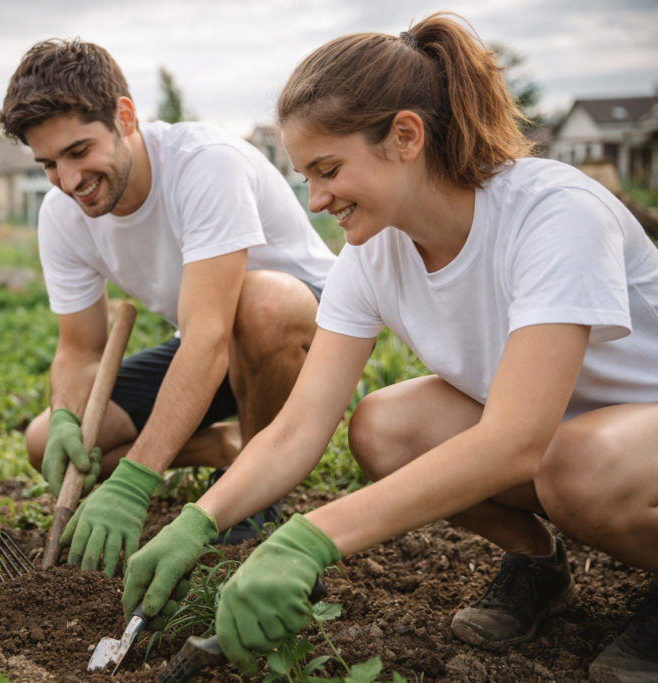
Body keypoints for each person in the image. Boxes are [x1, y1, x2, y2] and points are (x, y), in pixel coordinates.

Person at [123, 12, 658, 680]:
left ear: (405, 136)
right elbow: (299, 426)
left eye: (328, 169)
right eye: (305, 176)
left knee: (574, 466)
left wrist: (314, 538)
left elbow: (516, 438)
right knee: (383, 427)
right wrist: (201, 519)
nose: (315, 198)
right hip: (573, 434)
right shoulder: (375, 253)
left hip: (632, 429)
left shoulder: (551, 215)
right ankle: (538, 564)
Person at [0, 39, 337, 576]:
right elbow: (78, 349)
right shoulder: (63, 216)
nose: (67, 181)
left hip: (306, 335)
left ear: (124, 116)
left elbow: (208, 336)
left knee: (260, 303)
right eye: (48, 165)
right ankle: (233, 447)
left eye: (79, 151)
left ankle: (257, 493)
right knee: (46, 441)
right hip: (211, 347)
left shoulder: (205, 165)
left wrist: (137, 479)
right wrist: (66, 410)